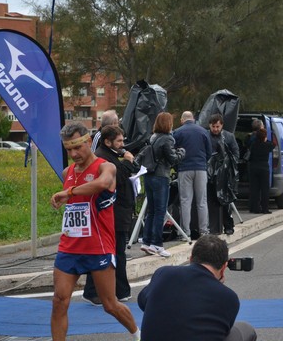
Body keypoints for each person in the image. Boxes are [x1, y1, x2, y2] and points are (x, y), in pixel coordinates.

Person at [49, 122, 140, 341]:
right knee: (60, 300)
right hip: (70, 246)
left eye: (77, 147)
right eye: (68, 149)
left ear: (89, 142)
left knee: (110, 304)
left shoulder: (105, 166)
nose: (73, 154)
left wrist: (68, 192)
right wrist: (66, 197)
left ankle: (138, 334)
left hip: (98, 247)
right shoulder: (67, 172)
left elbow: (103, 184)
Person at [138, 235, 257, 341]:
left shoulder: (162, 273)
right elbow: (222, 330)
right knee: (246, 329)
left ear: (191, 259)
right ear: (224, 267)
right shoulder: (229, 297)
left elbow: (143, 302)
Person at [83, 125, 137, 305]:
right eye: (119, 141)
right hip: (113, 212)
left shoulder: (111, 155)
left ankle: (95, 291)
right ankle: (119, 291)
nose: (123, 145)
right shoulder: (104, 158)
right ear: (108, 141)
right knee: (115, 253)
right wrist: (128, 162)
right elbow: (118, 180)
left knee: (108, 253)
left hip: (117, 210)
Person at [140, 112, 185, 257]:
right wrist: (181, 152)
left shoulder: (152, 137)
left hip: (149, 176)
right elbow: (172, 159)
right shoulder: (167, 139)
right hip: (161, 176)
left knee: (151, 210)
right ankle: (157, 244)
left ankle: (146, 241)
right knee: (160, 211)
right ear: (168, 124)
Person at [173, 111, 212, 238]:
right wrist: (202, 162)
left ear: (182, 120)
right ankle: (204, 230)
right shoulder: (203, 131)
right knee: (202, 201)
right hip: (200, 168)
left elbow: (173, 152)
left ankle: (185, 232)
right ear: (193, 119)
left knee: (185, 201)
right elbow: (209, 152)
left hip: (184, 168)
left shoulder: (177, 132)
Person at [208, 113, 240, 235]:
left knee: (226, 201)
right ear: (209, 126)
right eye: (213, 126)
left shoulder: (228, 137)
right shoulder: (206, 136)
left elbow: (236, 153)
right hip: (210, 174)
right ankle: (212, 226)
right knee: (211, 201)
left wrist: (228, 167)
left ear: (222, 125)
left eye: (217, 126)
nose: (215, 129)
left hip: (225, 175)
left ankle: (228, 226)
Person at [248, 128, 275, 214]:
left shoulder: (253, 144)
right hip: (264, 168)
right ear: (265, 137)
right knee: (264, 189)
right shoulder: (267, 145)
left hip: (253, 167)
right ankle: (265, 208)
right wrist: (266, 139)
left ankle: (255, 208)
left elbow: (248, 143)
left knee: (254, 189)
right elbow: (273, 144)